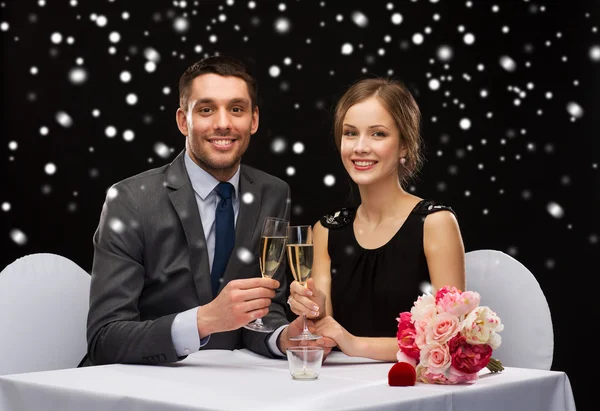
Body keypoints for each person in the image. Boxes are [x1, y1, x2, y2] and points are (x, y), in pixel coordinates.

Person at [85, 56, 316, 366]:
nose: (223, 123)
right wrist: (203, 321)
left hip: (233, 383)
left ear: (254, 120)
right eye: (206, 110)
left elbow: (265, 307)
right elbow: (105, 339)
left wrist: (282, 337)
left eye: (236, 109)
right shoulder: (130, 200)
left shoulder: (273, 192)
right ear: (184, 121)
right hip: (146, 385)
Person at [287, 77, 466, 362]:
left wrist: (354, 343)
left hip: (413, 392)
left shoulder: (435, 223)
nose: (360, 147)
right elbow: (324, 332)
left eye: (378, 134)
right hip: (342, 389)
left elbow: (451, 340)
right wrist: (312, 310)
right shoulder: (326, 230)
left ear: (405, 145)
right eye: (350, 133)